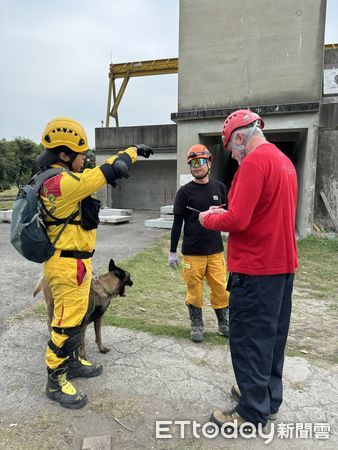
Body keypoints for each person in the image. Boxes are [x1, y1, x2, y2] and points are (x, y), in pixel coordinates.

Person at [38, 116, 153, 409]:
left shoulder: (56, 178)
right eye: (80, 155)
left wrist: (129, 155)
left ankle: (73, 362)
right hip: (67, 266)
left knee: (76, 319)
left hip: (71, 263)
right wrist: (131, 153)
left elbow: (94, 173)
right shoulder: (62, 182)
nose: (84, 159)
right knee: (64, 325)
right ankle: (56, 380)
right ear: (64, 155)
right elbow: (101, 173)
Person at [199, 109, 298, 429]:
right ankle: (267, 397)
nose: (232, 154)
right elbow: (259, 211)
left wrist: (208, 218)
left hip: (256, 269)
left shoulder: (255, 162)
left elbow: (238, 220)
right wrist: (226, 209)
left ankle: (252, 411)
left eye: (230, 146)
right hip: (282, 266)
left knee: (249, 339)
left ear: (240, 137)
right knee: (271, 337)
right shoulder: (283, 162)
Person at [168, 144, 230, 343]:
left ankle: (224, 323)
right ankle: (196, 324)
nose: (196, 166)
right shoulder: (184, 192)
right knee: (194, 289)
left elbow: (231, 216)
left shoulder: (220, 188)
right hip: (192, 252)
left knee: (220, 287)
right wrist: (172, 252)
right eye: (192, 163)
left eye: (200, 162)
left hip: (215, 251)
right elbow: (177, 224)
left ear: (209, 163)